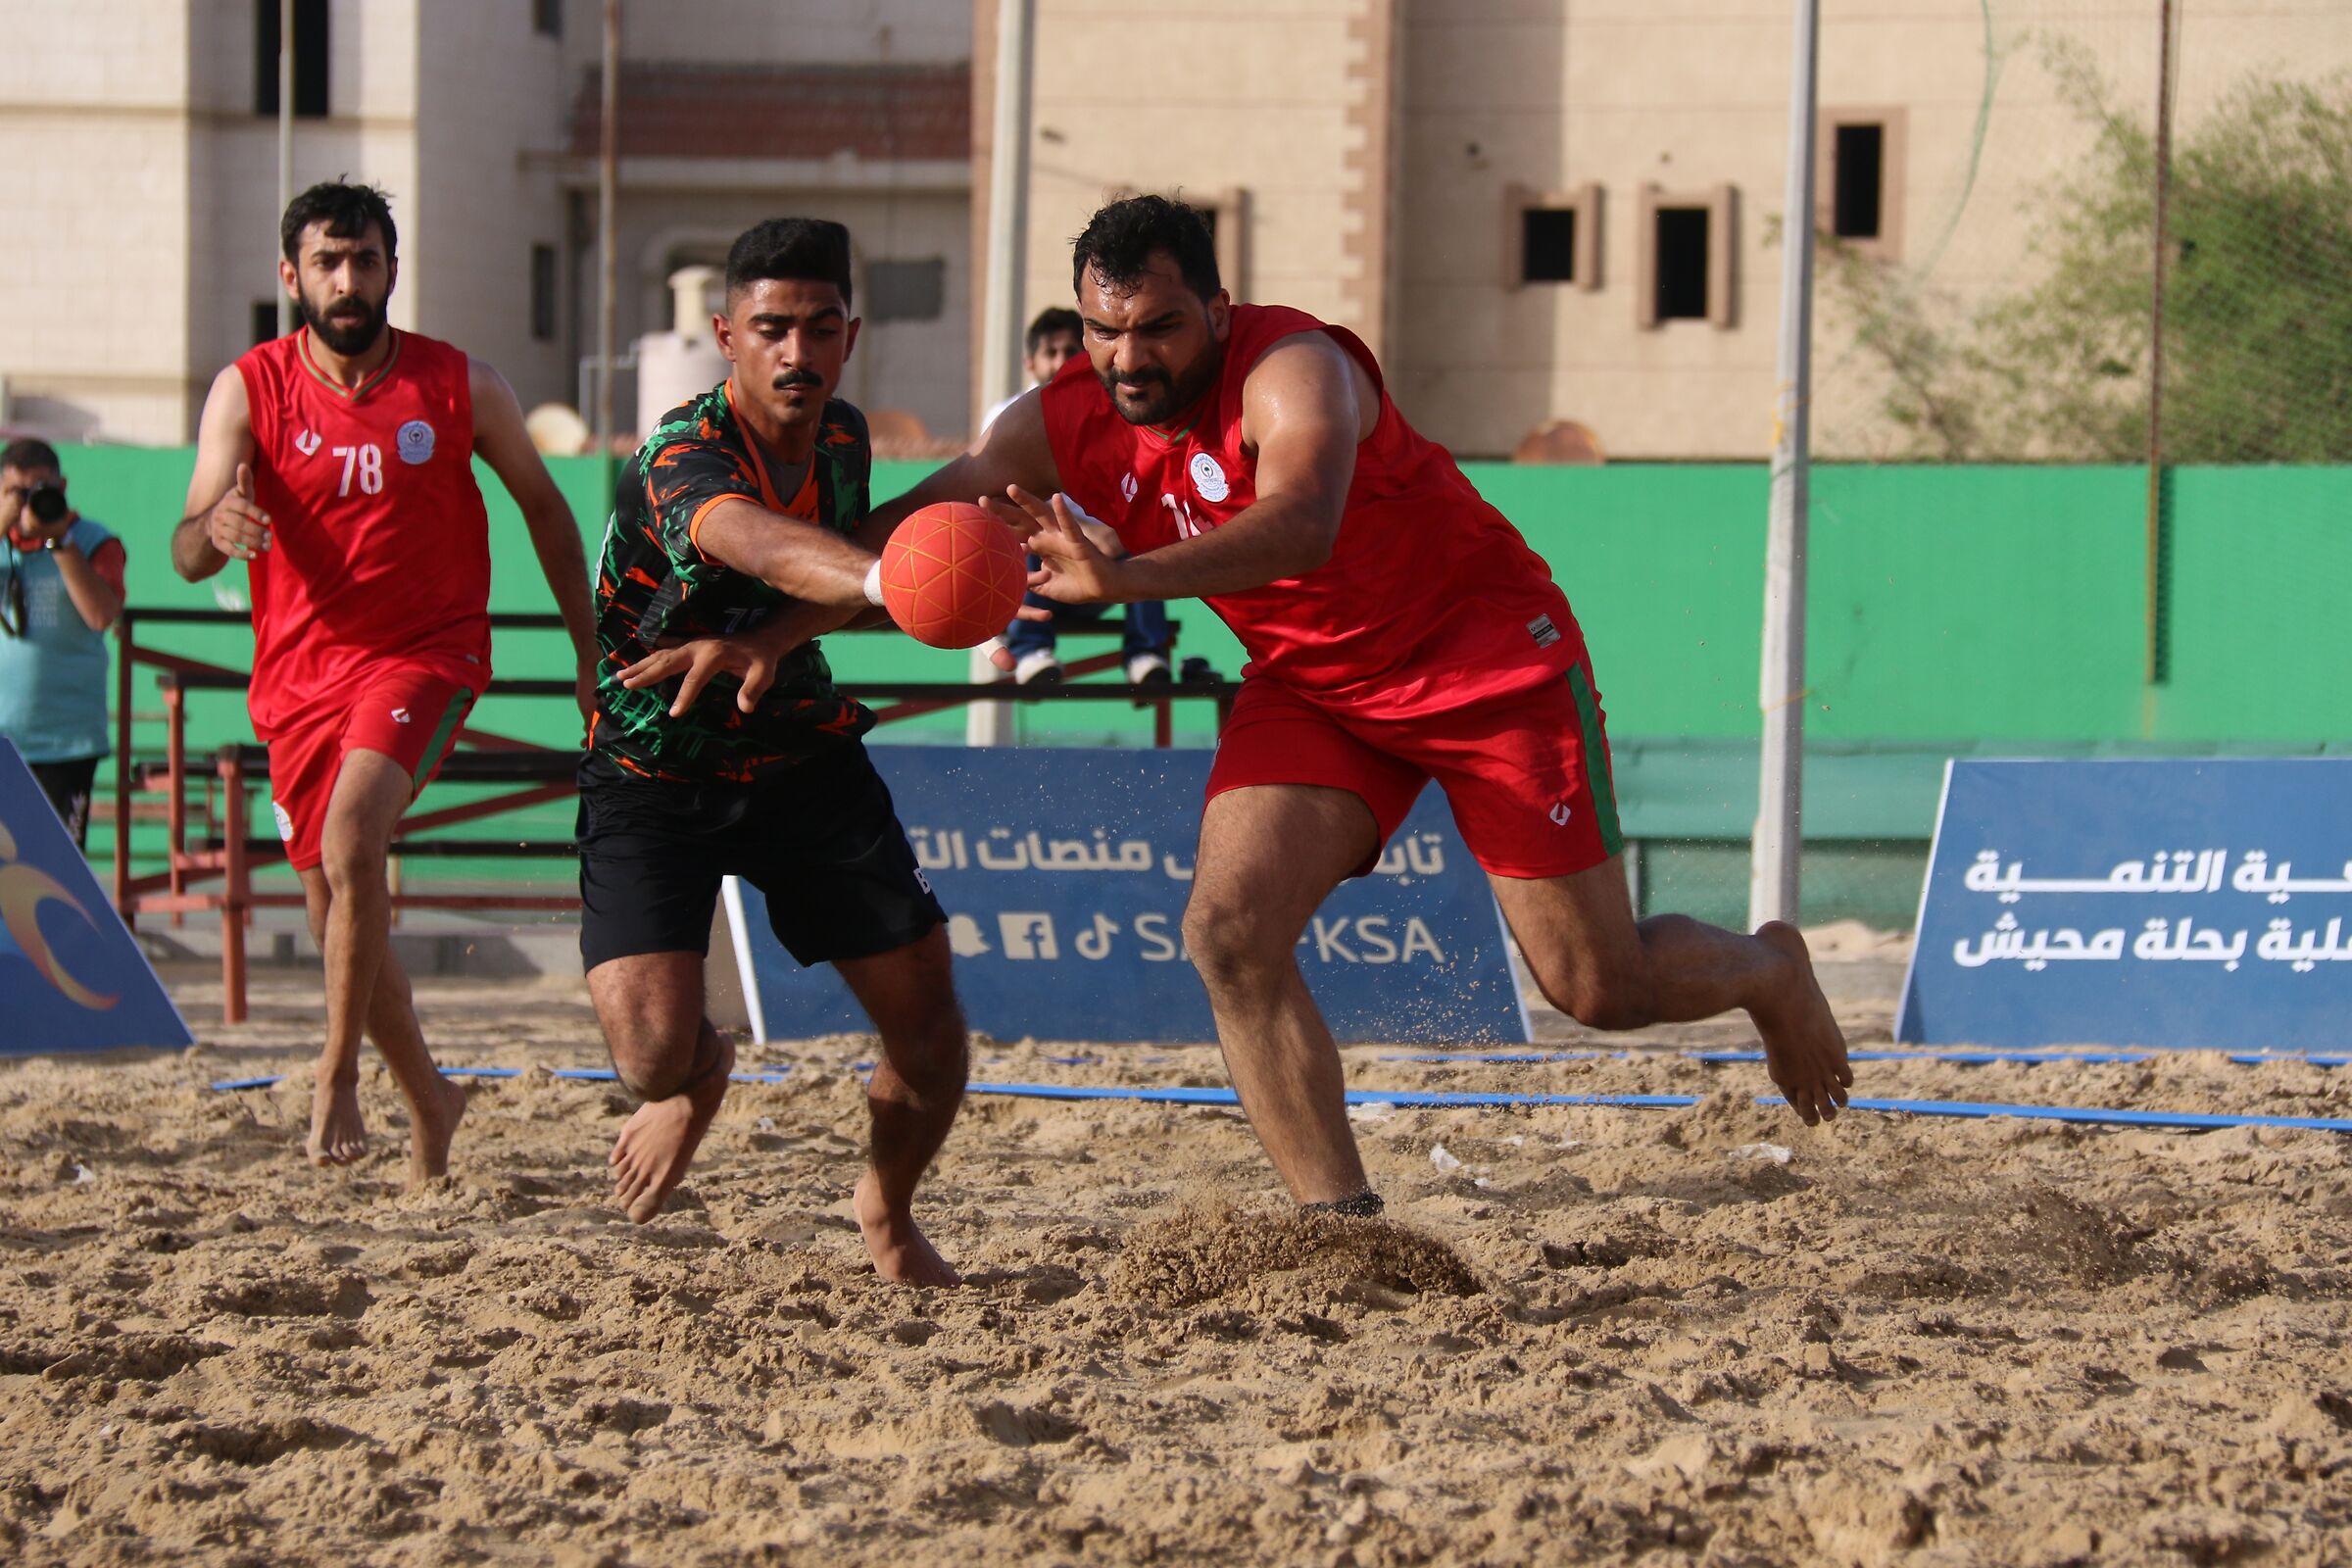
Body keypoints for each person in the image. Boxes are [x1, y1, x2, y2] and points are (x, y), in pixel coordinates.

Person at [634, 195, 1853, 1217]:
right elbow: (912, 546)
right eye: (1108, 332)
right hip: (1318, 689)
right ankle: (1342, 1228)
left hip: (1487, 666)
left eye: (1160, 328)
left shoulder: (1296, 369)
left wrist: (1131, 578)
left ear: (1216, 311)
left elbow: (1302, 521)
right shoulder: (1057, 418)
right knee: (1227, 931)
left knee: (1599, 991)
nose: (1130, 359)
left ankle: (1765, 969)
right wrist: (773, 636)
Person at [173, 181, 602, 1187]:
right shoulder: (248, 389)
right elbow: (188, 546)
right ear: (292, 276)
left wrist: (589, 656)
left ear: (393, 270)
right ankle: (432, 1096)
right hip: (297, 682)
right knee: (335, 917)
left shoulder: (463, 386)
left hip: (428, 654)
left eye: (366, 259)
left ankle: (333, 1077)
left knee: (354, 838)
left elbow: (546, 510)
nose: (348, 279)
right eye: (328, 261)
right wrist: (215, 532)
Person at [587, 217, 966, 1284]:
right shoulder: (681, 453)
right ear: (725, 335)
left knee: (932, 1037)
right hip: (652, 767)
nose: (795, 352)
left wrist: (773, 634)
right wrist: (893, 578)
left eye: (818, 328)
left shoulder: (843, 439)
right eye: (770, 329)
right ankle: (702, 1080)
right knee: (649, 1055)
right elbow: (750, 539)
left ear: (851, 333)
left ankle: (885, 1210)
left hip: (800, 754)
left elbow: (821, 586)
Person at [988, 308, 1174, 687]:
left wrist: (1120, 536)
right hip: (1039, 566)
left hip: (1105, 565)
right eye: (1050, 352)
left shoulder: (1121, 410)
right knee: (1030, 538)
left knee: (1145, 548)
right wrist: (1085, 533)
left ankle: (1147, 657)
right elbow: (1009, 504)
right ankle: (1031, 652)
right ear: (1030, 362)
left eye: (1071, 349)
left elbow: (1141, 494)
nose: (1060, 361)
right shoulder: (1006, 418)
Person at [0, 439, 125, 846]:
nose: (27, 504)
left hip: (66, 742)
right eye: (15, 493)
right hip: (4, 739)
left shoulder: (93, 541)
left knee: (60, 871)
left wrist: (58, 542)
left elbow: (100, 615)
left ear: (63, 486)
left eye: (39, 491)